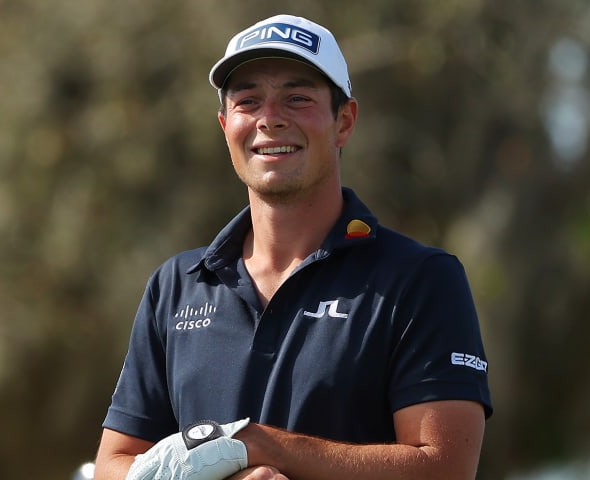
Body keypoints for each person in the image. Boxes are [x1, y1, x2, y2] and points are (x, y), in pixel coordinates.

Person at [94, 14, 492, 480]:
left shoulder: (421, 278)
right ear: (226, 126)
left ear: (344, 122)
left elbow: (444, 468)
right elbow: (113, 465)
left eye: (297, 98)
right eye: (248, 101)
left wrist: (261, 446)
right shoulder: (177, 286)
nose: (270, 119)